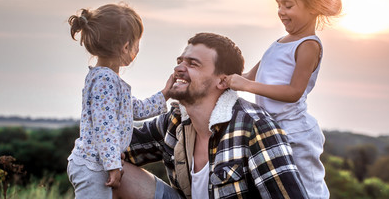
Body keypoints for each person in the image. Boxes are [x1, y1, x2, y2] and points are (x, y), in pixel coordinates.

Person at [113, 32, 308, 199]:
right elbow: (113, 144)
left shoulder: (255, 127)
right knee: (108, 165)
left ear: (223, 81)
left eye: (193, 64)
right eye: (180, 61)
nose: (179, 68)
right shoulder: (175, 120)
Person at [223, 0, 344, 199]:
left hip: (296, 130)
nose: (281, 11)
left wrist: (246, 86)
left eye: (288, 5)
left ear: (312, 6)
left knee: (307, 188)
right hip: (272, 128)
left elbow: (293, 92)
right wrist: (229, 79)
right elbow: (250, 77)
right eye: (278, 4)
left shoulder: (308, 45)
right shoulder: (280, 42)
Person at [66, 3, 172, 199]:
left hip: (96, 165)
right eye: (137, 42)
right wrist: (113, 164)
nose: (138, 48)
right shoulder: (105, 81)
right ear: (125, 47)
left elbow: (136, 109)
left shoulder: (107, 79)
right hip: (93, 168)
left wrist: (164, 94)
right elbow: (104, 127)